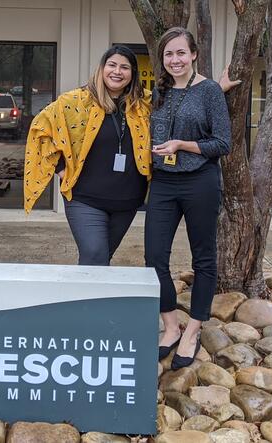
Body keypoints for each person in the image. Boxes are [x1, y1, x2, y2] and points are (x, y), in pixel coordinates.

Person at [145, 27, 232, 370]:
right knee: (154, 256)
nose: (175, 60)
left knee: (204, 258)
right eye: (169, 54)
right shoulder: (159, 92)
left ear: (194, 55)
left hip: (200, 181)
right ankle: (170, 326)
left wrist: (182, 144)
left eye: (181, 53)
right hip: (164, 183)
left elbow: (222, 143)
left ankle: (193, 329)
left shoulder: (210, 91)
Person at [24, 45, 151, 265]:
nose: (117, 71)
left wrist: (216, 88)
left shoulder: (144, 104)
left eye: (124, 67)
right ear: (101, 69)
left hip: (127, 201)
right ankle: (85, 299)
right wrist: (60, 168)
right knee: (95, 254)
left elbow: (182, 99)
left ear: (132, 74)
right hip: (85, 198)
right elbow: (41, 129)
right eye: (112, 65)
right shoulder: (76, 102)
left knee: (100, 260)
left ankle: (88, 297)